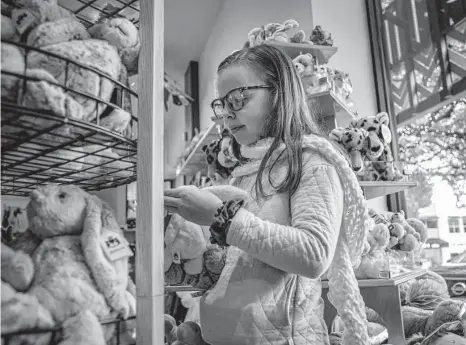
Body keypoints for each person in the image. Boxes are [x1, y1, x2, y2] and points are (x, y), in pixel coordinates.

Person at [164, 44, 370, 345]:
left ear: (278, 93)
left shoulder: (313, 161)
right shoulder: (245, 170)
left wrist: (221, 218)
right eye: (222, 104)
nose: (227, 115)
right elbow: (242, 258)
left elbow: (314, 255)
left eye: (238, 98)